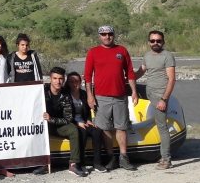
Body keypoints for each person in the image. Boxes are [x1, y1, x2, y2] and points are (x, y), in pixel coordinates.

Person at [84, 25, 139, 172]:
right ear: (99, 36)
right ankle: (110, 158)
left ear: (114, 35)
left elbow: (130, 72)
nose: (107, 36)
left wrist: (134, 91)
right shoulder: (93, 52)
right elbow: (88, 76)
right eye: (104, 34)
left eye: (110, 34)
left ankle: (124, 157)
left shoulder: (122, 50)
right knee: (105, 128)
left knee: (121, 127)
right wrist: (89, 95)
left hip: (120, 96)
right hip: (101, 97)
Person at [132, 30, 177, 170]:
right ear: (148, 42)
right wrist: (126, 79)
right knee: (124, 89)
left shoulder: (167, 56)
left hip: (159, 94)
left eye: (158, 41)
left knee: (161, 126)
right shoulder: (147, 56)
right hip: (148, 90)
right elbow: (140, 72)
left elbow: (172, 79)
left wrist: (164, 99)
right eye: (152, 41)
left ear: (163, 42)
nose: (155, 43)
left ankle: (166, 159)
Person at [43, 67, 87, 177]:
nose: (58, 81)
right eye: (55, 78)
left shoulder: (67, 95)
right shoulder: (42, 91)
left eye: (60, 79)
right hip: (43, 124)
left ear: (64, 80)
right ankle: (42, 162)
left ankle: (73, 164)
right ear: (50, 79)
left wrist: (51, 119)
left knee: (74, 130)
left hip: (58, 124)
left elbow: (68, 118)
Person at [67, 71, 103, 169]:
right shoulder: (66, 95)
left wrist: (88, 120)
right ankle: (81, 163)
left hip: (83, 121)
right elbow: (66, 115)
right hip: (72, 122)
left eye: (77, 81)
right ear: (67, 83)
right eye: (71, 82)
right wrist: (77, 123)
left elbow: (87, 111)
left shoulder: (84, 94)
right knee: (82, 133)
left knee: (97, 132)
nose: (75, 84)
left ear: (81, 81)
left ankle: (98, 163)